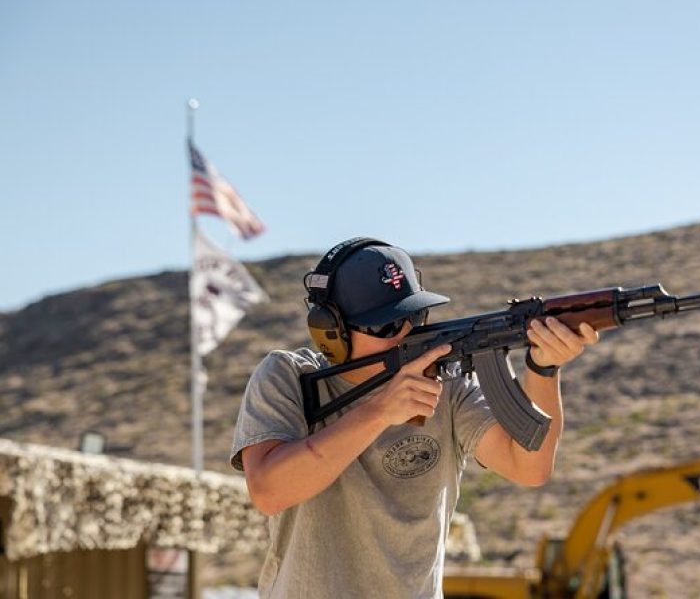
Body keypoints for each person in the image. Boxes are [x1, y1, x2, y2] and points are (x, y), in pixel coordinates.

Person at [230, 238, 599, 598]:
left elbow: (528, 466)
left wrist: (544, 369)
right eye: (385, 326)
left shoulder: (449, 383)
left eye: (414, 316)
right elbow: (269, 490)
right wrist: (379, 412)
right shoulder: (287, 377)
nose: (405, 335)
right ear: (331, 332)